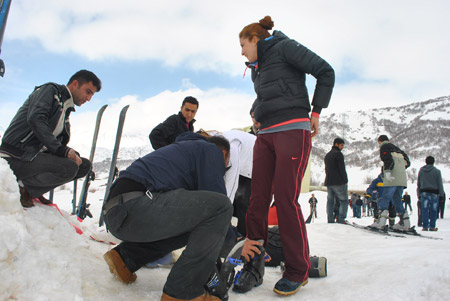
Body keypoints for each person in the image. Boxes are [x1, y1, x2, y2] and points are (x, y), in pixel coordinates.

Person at [238, 16, 335, 296]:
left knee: (284, 199)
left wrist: (316, 111)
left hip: (293, 130)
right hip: (265, 135)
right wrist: (256, 112)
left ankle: (297, 269)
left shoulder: (284, 47)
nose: (241, 51)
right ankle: (253, 265)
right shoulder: (258, 68)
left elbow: (324, 71)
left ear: (255, 39)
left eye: (243, 45)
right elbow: (267, 95)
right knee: (256, 200)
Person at [102, 132, 232, 301]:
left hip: (119, 212)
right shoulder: (209, 149)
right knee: (222, 207)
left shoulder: (184, 152)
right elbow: (217, 200)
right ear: (223, 154)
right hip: (136, 204)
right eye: (225, 166)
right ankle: (182, 292)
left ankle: (126, 258)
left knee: (195, 223)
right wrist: (234, 241)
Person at [0, 70, 101, 208]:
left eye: (92, 95)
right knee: (69, 167)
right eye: (88, 91)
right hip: (16, 155)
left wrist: (69, 153)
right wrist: (62, 150)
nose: (89, 98)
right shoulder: (50, 91)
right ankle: (24, 188)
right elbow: (36, 118)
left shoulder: (65, 110)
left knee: (83, 166)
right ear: (75, 84)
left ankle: (31, 190)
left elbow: (55, 142)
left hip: (33, 157)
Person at [370, 135, 410, 230]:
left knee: (385, 197)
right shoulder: (398, 149)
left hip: (392, 176)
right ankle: (405, 222)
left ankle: (381, 221)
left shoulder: (384, 147)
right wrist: (399, 169)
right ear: (389, 140)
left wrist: (387, 172)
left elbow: (387, 159)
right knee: (397, 200)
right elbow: (408, 162)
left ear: (379, 141)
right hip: (401, 178)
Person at [417, 156, 445, 231]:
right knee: (433, 210)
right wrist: (441, 194)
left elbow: (418, 183)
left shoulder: (421, 170)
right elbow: (439, 184)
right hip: (434, 193)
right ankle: (432, 226)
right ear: (433, 162)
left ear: (426, 162)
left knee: (424, 209)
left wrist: (418, 193)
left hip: (424, 192)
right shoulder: (437, 171)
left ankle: (425, 226)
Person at [324, 138, 349, 224]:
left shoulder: (327, 155)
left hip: (329, 181)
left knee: (330, 201)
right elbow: (342, 169)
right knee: (344, 200)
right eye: (341, 145)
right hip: (338, 181)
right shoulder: (338, 154)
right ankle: (341, 219)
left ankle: (330, 219)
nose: (342, 147)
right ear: (336, 144)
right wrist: (345, 180)